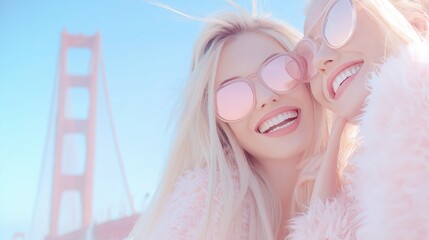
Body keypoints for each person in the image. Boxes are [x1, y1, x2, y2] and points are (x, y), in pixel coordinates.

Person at [127, 4, 336, 240]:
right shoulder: (202, 217)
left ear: (310, 71)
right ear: (219, 125)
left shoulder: (369, 188)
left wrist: (329, 210)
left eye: (280, 70)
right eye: (234, 96)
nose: (266, 98)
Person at [288, 0, 429, 239]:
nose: (320, 59)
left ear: (415, 24)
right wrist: (325, 211)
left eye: (337, 21)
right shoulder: (359, 185)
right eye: (307, 55)